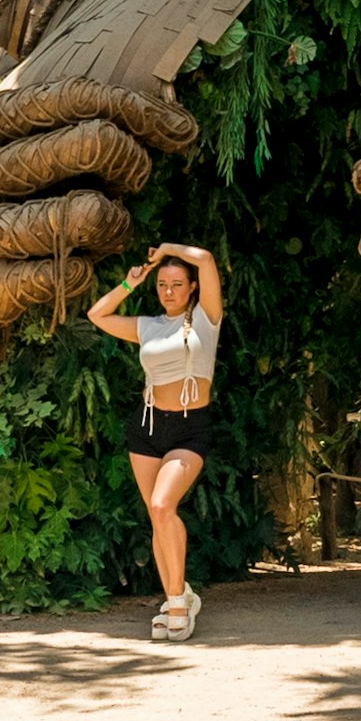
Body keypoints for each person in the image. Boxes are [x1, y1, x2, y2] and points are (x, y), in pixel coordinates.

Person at [88, 241, 223, 642]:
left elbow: (206, 259)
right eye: (162, 284)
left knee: (164, 504)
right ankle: (174, 596)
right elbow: (98, 314)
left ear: (192, 288)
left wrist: (166, 248)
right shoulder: (147, 325)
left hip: (189, 427)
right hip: (147, 427)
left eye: (177, 284)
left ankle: (180, 602)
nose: (168, 291)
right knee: (156, 515)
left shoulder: (206, 319)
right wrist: (132, 283)